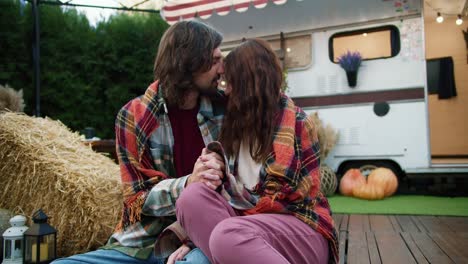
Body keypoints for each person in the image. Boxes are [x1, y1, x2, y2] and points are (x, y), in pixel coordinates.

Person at [52, 20, 226, 264]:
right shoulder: (133, 116)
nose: (223, 69)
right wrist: (189, 183)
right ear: (190, 62)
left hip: (201, 233)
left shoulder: (226, 110)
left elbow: (236, 189)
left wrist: (190, 237)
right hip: (142, 241)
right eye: (215, 60)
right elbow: (136, 198)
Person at [174, 39, 339, 264]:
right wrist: (193, 240)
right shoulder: (233, 128)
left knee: (228, 235)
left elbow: (286, 201)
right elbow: (225, 202)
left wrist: (232, 211)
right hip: (243, 232)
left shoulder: (296, 123)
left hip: (301, 231)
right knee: (190, 198)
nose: (226, 90)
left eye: (230, 83)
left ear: (248, 84)